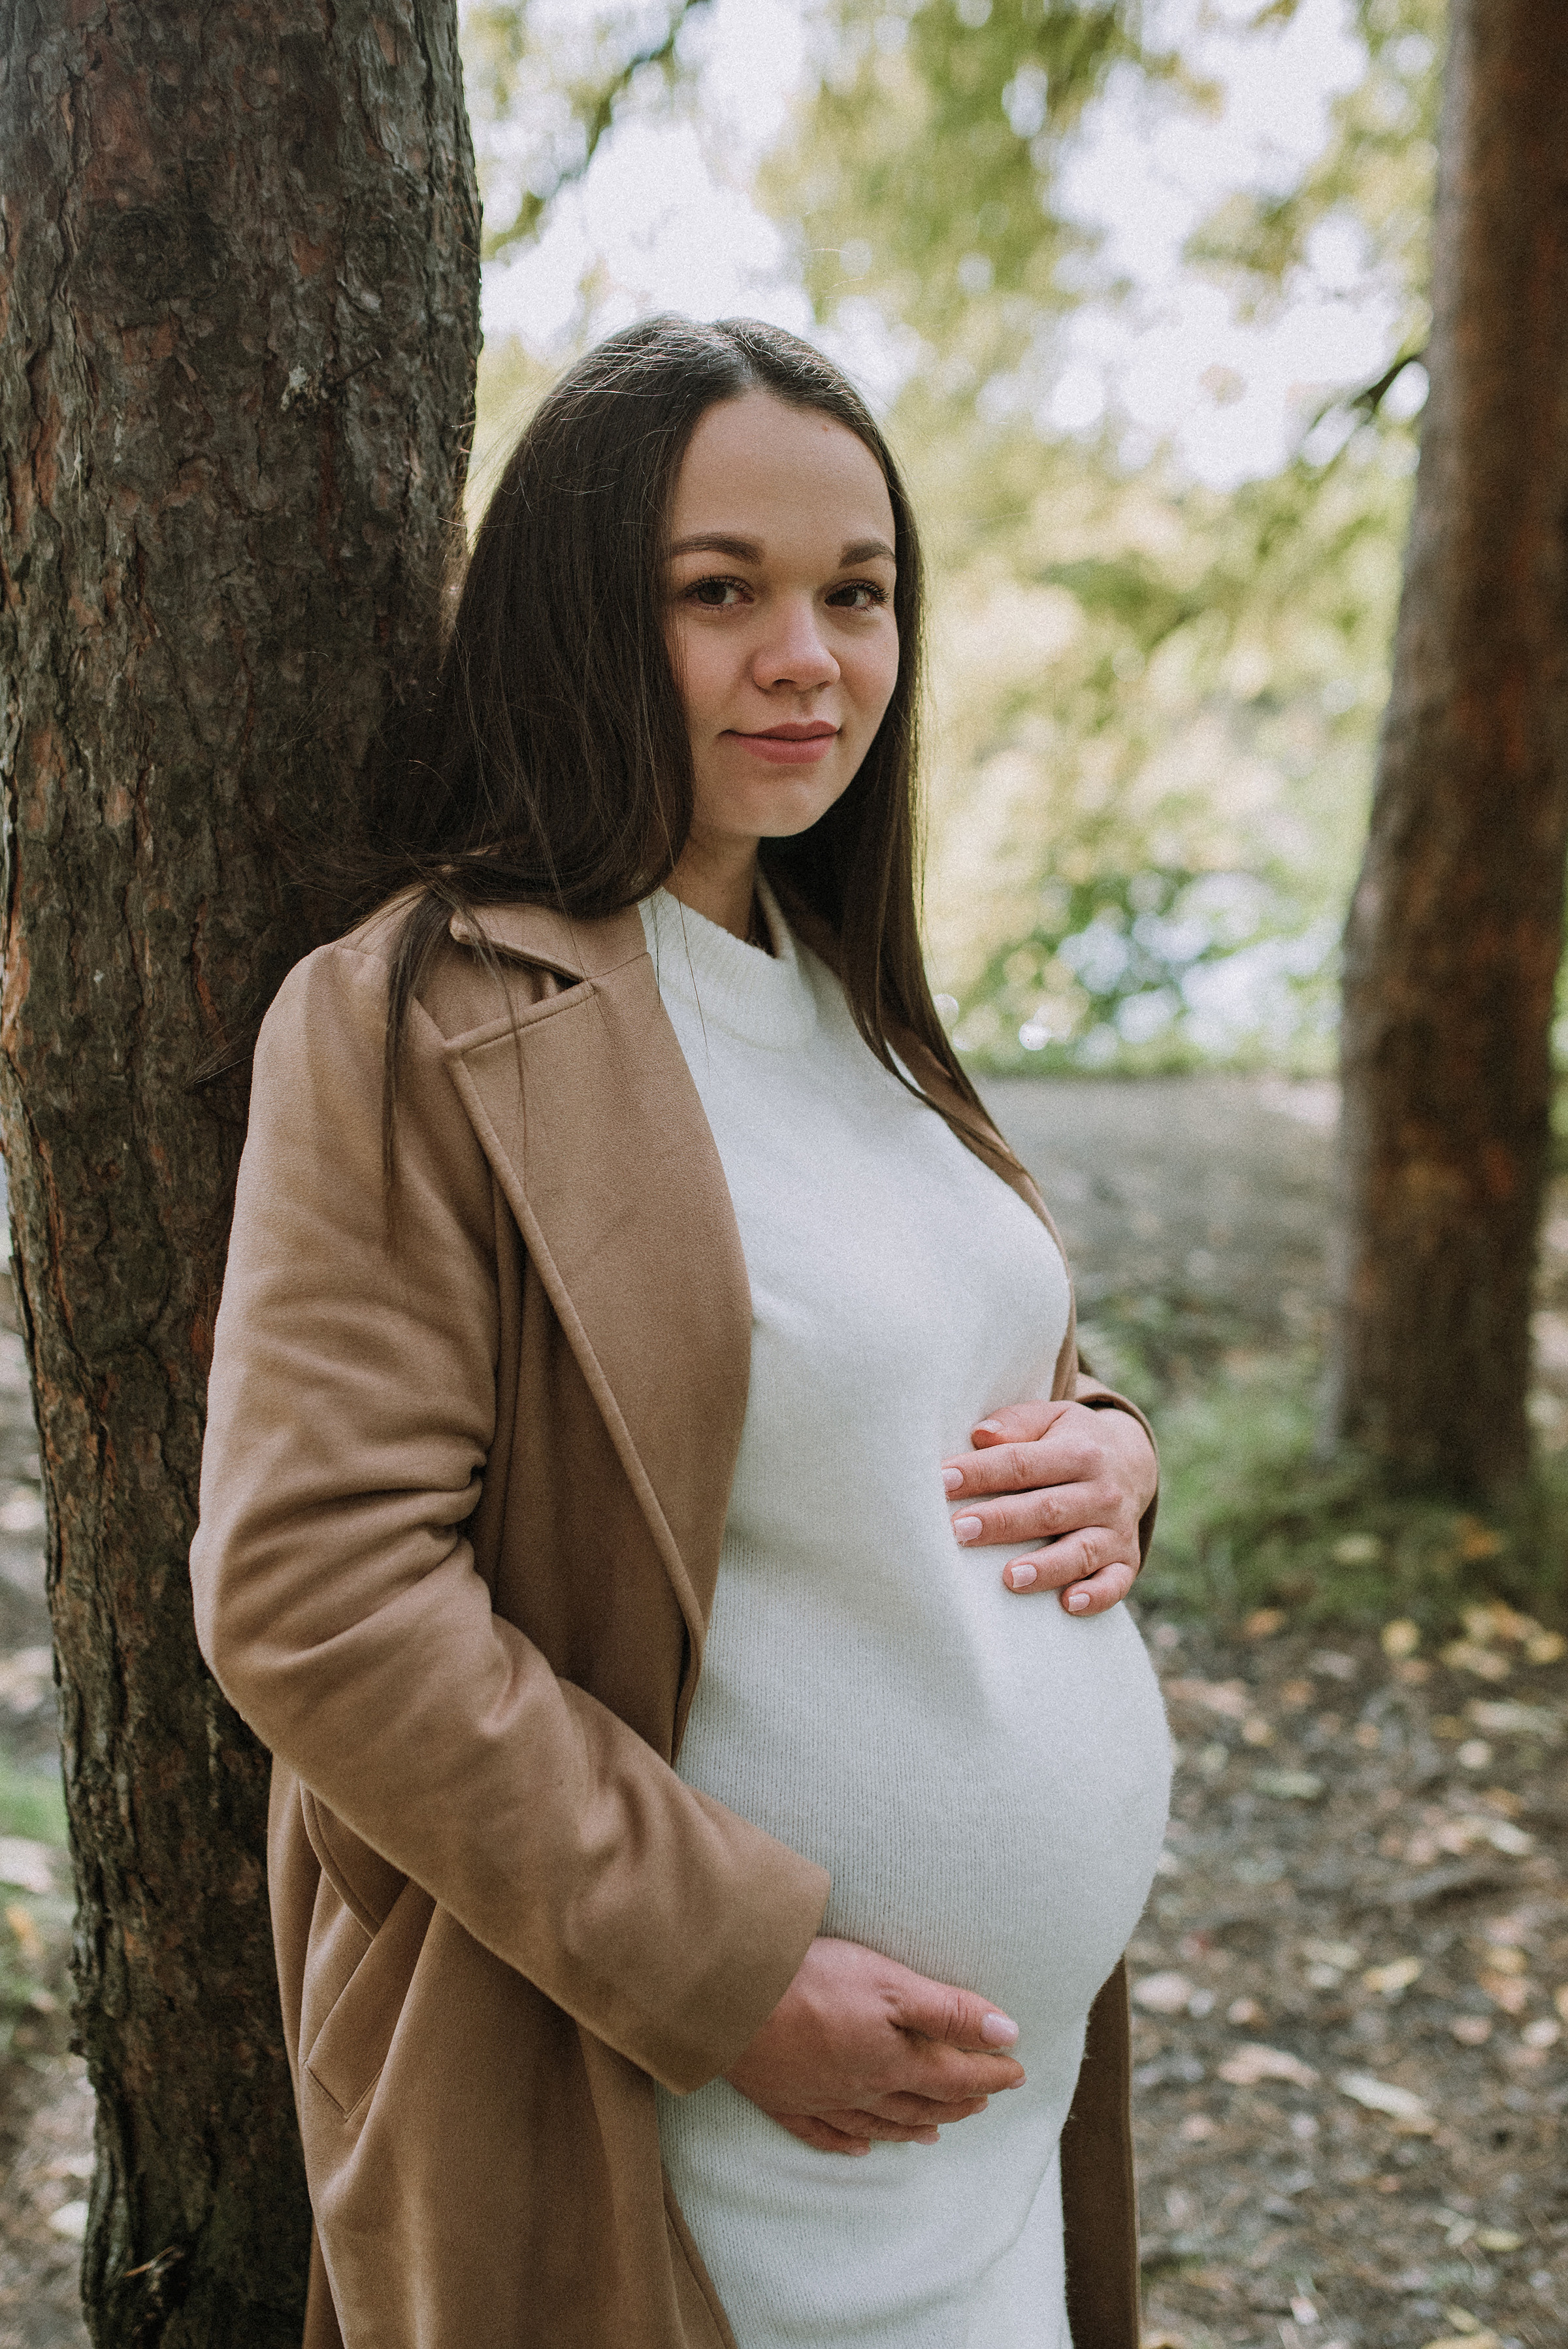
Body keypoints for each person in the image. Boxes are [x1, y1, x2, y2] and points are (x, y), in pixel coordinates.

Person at [189, 315, 1171, 2349]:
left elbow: (872, 1356)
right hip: (685, 2122)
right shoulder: (417, 1019)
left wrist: (1111, 1440)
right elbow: (311, 1589)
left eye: (858, 593)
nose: (807, 655)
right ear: (575, 616)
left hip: (984, 2131)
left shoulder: (842, 984)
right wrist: (735, 1975)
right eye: (718, 593)